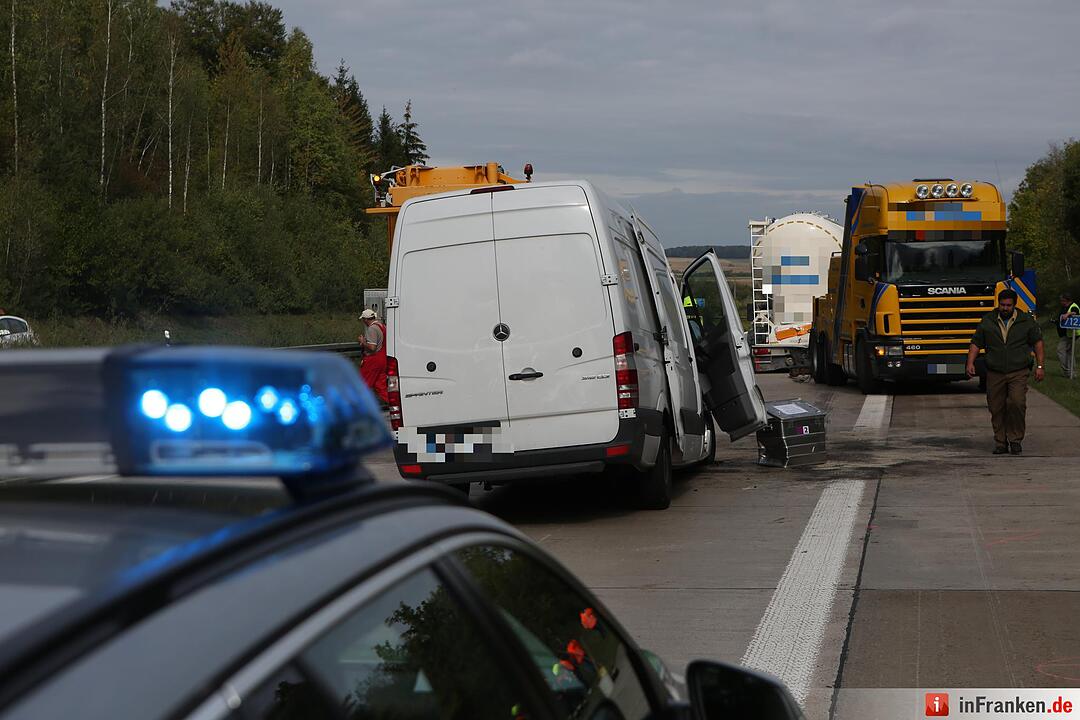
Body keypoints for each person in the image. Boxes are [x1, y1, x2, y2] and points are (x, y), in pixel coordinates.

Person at [966, 289, 1044, 455]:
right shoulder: (988, 321)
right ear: (998, 304)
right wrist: (970, 362)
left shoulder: (1026, 321)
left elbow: (1037, 343)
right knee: (996, 407)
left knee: (1016, 403)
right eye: (1002, 305)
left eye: (1009, 305)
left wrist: (1040, 366)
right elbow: (976, 343)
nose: (1005, 308)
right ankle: (1000, 442)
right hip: (995, 371)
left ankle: (1015, 440)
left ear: (1014, 305)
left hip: (1019, 371)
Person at [358, 309, 388, 405]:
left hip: (373, 361)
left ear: (366, 319)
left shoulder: (372, 329)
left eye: (363, 319)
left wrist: (363, 342)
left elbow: (372, 347)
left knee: (362, 385)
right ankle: (397, 405)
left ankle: (359, 408)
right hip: (383, 360)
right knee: (381, 386)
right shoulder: (382, 326)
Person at [1057, 292, 1079, 375]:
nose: (1061, 302)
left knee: (1060, 350)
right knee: (1069, 353)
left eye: (1062, 300)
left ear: (1066, 300)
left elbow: (1075, 313)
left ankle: (1068, 371)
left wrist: (1068, 314)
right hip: (1067, 334)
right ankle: (1073, 372)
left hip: (1071, 334)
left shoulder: (1073, 307)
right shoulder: (1065, 307)